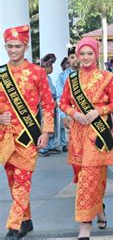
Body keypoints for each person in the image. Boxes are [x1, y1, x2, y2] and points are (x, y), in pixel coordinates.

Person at [59, 37, 113, 239]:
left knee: (90, 178)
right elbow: (63, 103)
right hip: (77, 134)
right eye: (82, 54)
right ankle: (100, 210)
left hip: (99, 134)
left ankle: (85, 224)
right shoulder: (71, 79)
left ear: (96, 54)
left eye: (90, 53)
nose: (86, 57)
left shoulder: (107, 77)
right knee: (91, 178)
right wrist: (73, 113)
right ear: (78, 56)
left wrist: (99, 111)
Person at [0, 25, 55, 240]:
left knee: (23, 181)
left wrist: (47, 131)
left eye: (17, 46)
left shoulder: (37, 72)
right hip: (5, 137)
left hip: (28, 137)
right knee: (13, 182)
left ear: (25, 46)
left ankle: (13, 226)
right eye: (9, 46)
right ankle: (27, 221)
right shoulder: (1, 73)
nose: (13, 50)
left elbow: (48, 104)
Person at [56, 46, 80, 153]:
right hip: (71, 115)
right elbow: (60, 98)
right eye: (72, 57)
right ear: (68, 59)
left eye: (78, 56)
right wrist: (63, 116)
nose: (75, 60)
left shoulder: (90, 74)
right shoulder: (62, 77)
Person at [39, 53, 61, 156]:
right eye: (50, 66)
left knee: (53, 125)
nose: (52, 68)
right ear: (45, 67)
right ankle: (42, 148)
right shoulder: (41, 77)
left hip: (53, 104)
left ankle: (50, 146)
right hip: (45, 105)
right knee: (44, 125)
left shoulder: (49, 77)